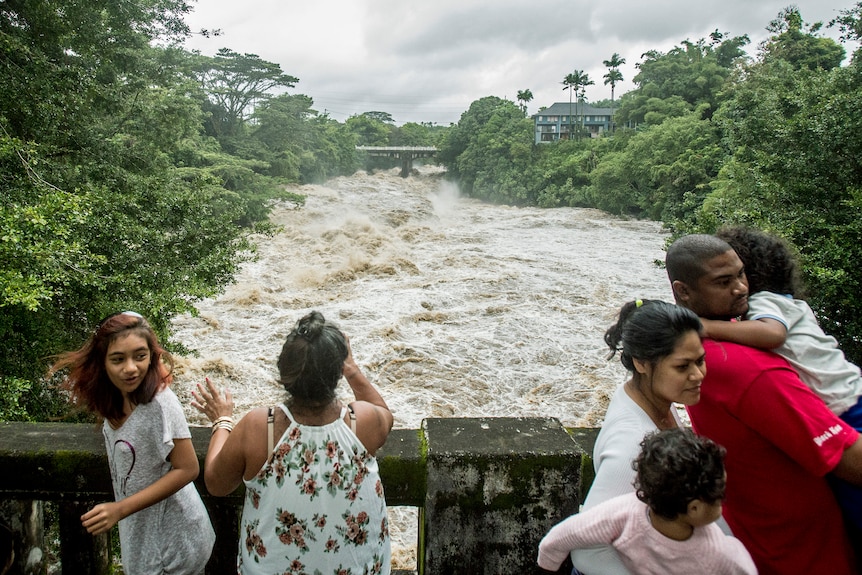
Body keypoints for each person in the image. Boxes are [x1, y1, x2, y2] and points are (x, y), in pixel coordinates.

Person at [667, 233, 862, 574]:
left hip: (770, 541)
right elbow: (850, 459)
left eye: (742, 275)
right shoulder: (745, 366)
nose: (741, 288)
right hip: (809, 552)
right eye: (724, 281)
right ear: (683, 290)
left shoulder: (695, 358)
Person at [192, 311, 393, 575]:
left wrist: (222, 421)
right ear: (336, 373)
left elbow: (216, 484)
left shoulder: (259, 427)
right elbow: (383, 412)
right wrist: (351, 369)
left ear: (283, 371)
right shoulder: (362, 422)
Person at [50, 311, 215, 575]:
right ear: (102, 362)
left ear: (152, 356)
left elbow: (188, 468)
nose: (131, 368)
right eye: (118, 359)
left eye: (140, 356)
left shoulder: (160, 403)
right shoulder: (114, 395)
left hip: (173, 540)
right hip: (141, 530)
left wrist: (119, 509)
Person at [570, 299, 707, 575]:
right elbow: (587, 549)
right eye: (682, 367)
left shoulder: (647, 401)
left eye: (700, 360)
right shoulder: (633, 443)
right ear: (641, 363)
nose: (698, 375)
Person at [538, 428, 756, 575]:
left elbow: (561, 537)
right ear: (694, 508)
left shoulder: (624, 514)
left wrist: (548, 565)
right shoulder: (718, 554)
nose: (724, 500)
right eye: (719, 497)